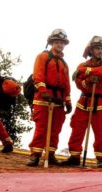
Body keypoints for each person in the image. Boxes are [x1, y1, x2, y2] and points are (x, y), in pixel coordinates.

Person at [61, 36, 102, 168]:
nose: (100, 51)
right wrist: (87, 81)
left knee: (100, 132)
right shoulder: (81, 65)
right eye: (97, 48)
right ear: (91, 50)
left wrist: (87, 71)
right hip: (84, 101)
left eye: (101, 48)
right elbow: (79, 83)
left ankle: (100, 158)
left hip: (100, 103)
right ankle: (74, 156)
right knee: (77, 129)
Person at [27, 29, 72, 167]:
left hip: (58, 99)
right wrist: (43, 91)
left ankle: (51, 154)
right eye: (57, 42)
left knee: (55, 129)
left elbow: (66, 84)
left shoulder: (64, 64)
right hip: (43, 98)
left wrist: (68, 101)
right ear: (52, 42)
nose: (60, 45)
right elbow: (38, 75)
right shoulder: (43, 56)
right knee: (41, 127)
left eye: (62, 43)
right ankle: (35, 155)